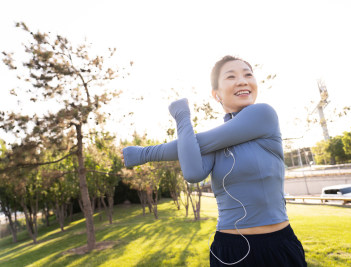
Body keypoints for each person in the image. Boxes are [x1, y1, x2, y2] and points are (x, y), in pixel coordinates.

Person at [122, 55, 307, 266]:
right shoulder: (218, 142)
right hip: (229, 251)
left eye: (248, 75)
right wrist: (183, 118)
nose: (242, 81)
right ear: (216, 94)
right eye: (231, 77)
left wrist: (143, 154)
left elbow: (194, 143)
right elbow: (193, 173)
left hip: (278, 246)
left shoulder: (263, 114)